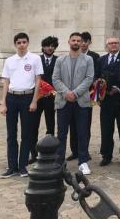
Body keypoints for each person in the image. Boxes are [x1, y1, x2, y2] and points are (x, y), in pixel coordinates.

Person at [0, 32, 42, 178]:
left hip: (27, 97)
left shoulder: (35, 59)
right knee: (11, 134)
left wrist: (34, 100)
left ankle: (23, 166)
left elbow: (38, 81)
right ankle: (12, 167)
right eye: (19, 42)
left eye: (24, 42)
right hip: (12, 98)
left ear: (28, 43)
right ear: (15, 44)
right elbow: (5, 82)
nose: (21, 45)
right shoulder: (9, 61)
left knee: (26, 134)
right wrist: (3, 102)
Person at [53, 32, 94, 175]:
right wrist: (66, 93)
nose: (76, 42)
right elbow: (55, 79)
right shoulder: (60, 60)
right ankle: (60, 162)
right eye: (73, 40)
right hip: (64, 101)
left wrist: (75, 93)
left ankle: (83, 162)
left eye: (78, 40)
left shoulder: (88, 59)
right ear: (69, 42)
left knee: (82, 132)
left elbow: (89, 78)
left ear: (81, 42)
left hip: (81, 101)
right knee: (62, 133)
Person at [65, 32, 99, 162]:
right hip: (70, 94)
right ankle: (75, 151)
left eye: (85, 41)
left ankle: (84, 151)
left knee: (85, 125)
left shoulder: (94, 57)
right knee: (72, 125)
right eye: (81, 41)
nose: (83, 43)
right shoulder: (69, 57)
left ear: (89, 42)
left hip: (87, 95)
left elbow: (95, 74)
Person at [95, 37, 120, 167]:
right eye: (111, 43)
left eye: (116, 43)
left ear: (119, 44)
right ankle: (106, 155)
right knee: (106, 129)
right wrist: (99, 86)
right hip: (106, 100)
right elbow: (96, 76)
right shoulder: (101, 60)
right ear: (107, 45)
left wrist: (119, 88)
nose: (113, 45)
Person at [29, 35, 58, 164]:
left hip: (51, 98)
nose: (50, 48)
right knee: (33, 126)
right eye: (47, 45)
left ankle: (50, 151)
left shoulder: (59, 60)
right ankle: (33, 153)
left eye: (52, 46)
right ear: (43, 47)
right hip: (37, 97)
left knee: (50, 125)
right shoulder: (36, 60)